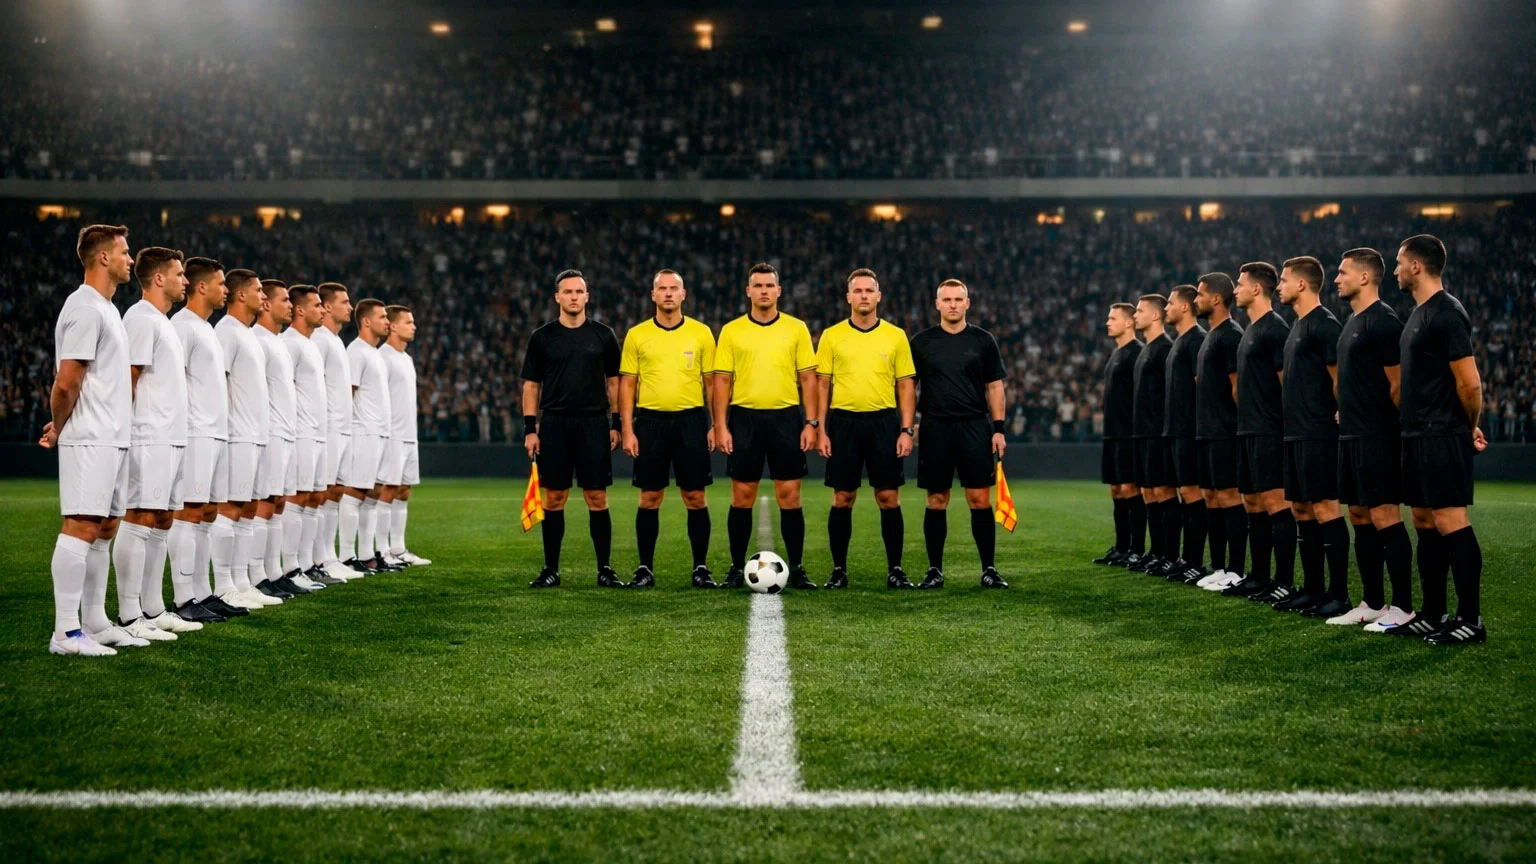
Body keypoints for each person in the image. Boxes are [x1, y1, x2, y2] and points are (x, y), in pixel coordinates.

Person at [41, 225, 138, 655]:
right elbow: (66, 382)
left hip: (113, 436)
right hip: (91, 435)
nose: (130, 259)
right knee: (81, 524)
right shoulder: (83, 307)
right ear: (102, 258)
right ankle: (64, 632)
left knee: (104, 527)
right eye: (124, 251)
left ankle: (95, 621)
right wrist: (58, 425)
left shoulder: (108, 309)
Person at [1391, 234, 1488, 644]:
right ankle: (1433, 613)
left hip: (1441, 433)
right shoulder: (1417, 314)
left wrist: (1469, 426)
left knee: (1450, 521)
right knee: (1424, 521)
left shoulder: (1447, 312)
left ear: (1417, 265)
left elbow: (1470, 384)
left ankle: (1471, 620)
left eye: (1399, 262)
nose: (1395, 270)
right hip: (1415, 434)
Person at [712, 263, 819, 590]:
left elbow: (808, 379)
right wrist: (720, 425)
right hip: (744, 419)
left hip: (786, 418)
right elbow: (721, 381)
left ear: (778, 291)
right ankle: (734, 567)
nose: (763, 291)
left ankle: (797, 568)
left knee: (790, 495)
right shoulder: (731, 331)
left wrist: (811, 422)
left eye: (769, 285)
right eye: (757, 286)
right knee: (742, 495)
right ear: (748, 291)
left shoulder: (797, 328)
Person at [114, 246, 201, 641]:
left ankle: (153, 608)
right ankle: (129, 615)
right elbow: (127, 378)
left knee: (163, 521)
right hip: (149, 435)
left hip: (172, 435)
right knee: (139, 519)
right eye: (180, 274)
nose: (186, 280)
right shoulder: (139, 318)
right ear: (160, 278)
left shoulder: (162, 320)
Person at [1328, 248, 1415, 630]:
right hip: (1351, 434)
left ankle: (1404, 606)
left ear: (1364, 277)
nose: (1337, 279)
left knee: (1384, 516)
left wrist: (1385, 425)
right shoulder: (1352, 323)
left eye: (1343, 272)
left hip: (1377, 437)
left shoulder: (1383, 321)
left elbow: (1398, 385)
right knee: (1359, 515)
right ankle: (1373, 602)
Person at [814, 268, 917, 589]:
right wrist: (819, 428)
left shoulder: (896, 335)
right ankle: (839, 570)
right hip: (843, 422)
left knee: (888, 497)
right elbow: (821, 386)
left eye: (868, 291)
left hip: (884, 423)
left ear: (878, 296)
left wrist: (906, 429)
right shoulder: (832, 335)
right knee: (843, 497)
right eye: (857, 291)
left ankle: (896, 570)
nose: (863, 296)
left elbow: (906, 386)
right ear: (848, 297)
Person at [522, 270, 623, 589]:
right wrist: (530, 428)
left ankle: (604, 569)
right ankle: (551, 569)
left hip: (593, 422)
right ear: (557, 297)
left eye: (579, 292)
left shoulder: (603, 335)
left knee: (597, 496)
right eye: (568, 292)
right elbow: (531, 385)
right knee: (554, 498)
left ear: (587, 296)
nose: (574, 297)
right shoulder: (542, 337)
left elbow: (614, 382)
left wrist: (616, 423)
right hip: (554, 424)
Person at [619, 269, 717, 588]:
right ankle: (645, 568)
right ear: (653, 295)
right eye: (662, 288)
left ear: (684, 294)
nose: (669, 294)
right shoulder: (637, 334)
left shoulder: (702, 333)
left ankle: (700, 568)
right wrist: (628, 429)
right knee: (649, 497)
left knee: (695, 496)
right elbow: (627, 385)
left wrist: (716, 426)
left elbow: (712, 383)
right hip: (650, 423)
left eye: (674, 288)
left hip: (691, 421)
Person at [909, 279, 1010, 589]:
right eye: (947, 299)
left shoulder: (983, 340)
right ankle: (934, 570)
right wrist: (910, 424)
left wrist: (998, 429)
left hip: (974, 426)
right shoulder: (922, 342)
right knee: (936, 499)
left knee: (979, 499)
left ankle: (989, 569)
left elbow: (995, 386)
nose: (952, 304)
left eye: (958, 299)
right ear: (937, 304)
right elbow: (909, 387)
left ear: (968, 303)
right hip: (935, 426)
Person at [1274, 256, 1350, 617]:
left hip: (1319, 433)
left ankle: (1338, 594)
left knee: (1325, 509)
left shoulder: (1325, 325)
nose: (1279, 287)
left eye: (1284, 280)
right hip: (1295, 434)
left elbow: (1339, 379)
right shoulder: (1297, 327)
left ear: (1302, 284)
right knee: (1302, 509)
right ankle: (1313, 589)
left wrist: (1339, 412)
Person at [168, 257, 239, 623]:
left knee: (208, 514)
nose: (225, 289)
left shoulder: (206, 328)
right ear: (201, 287)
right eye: (221, 283)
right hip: (195, 431)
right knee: (189, 513)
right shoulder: (182, 326)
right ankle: (184, 598)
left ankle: (201, 591)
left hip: (215, 432)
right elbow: (170, 381)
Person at [1222, 262, 1292, 601]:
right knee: (1252, 503)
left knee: (1275, 504)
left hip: (1268, 430)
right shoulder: (1249, 329)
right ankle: (1260, 576)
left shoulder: (1274, 329)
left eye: (1239, 284)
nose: (1235, 290)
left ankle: (1283, 580)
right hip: (1247, 430)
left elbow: (1285, 383)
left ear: (1256, 289)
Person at [253, 280, 320, 597]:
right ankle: (256, 576)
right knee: (263, 505)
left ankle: (274, 571)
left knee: (277, 505)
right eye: (284, 300)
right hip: (269, 433)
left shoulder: (280, 341)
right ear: (265, 303)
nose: (290, 307)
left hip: (289, 431)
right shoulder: (264, 340)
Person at [212, 269, 272, 611]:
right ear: (240, 295)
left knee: (247, 510)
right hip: (237, 435)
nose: (262, 296)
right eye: (258, 290)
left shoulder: (247, 334)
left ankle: (241, 581)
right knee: (230, 509)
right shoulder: (227, 332)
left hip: (256, 433)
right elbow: (219, 383)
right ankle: (223, 585)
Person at [280, 285, 343, 587]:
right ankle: (291, 567)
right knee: (296, 499)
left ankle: (307, 564)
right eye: (317, 305)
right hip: (301, 432)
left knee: (314, 499)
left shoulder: (310, 343)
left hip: (317, 433)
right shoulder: (289, 343)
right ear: (300, 310)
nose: (323, 310)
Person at [1193, 273, 1248, 592]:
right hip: (1206, 431)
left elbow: (1238, 388)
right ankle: (1220, 567)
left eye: (1200, 294)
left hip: (1224, 431)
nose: (1196, 299)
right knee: (1212, 498)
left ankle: (1236, 570)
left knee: (1228, 497)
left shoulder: (1230, 335)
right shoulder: (1211, 336)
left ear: (1216, 299)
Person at [339, 298, 400, 575]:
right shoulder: (357, 352)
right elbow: (348, 394)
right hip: (363, 431)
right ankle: (347, 555)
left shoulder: (373, 352)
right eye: (382, 317)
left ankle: (366, 555)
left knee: (372, 494)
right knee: (354, 493)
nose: (388, 322)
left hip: (380, 432)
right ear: (366, 321)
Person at [1160, 285, 1209, 584]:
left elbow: (1201, 385)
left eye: (1170, 303)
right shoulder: (1180, 341)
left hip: (1189, 428)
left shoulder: (1197, 341)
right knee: (1184, 494)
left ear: (1186, 307)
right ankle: (1181, 558)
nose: (1167, 308)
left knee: (1193, 493)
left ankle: (1194, 560)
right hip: (1175, 429)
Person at [312, 283, 359, 579]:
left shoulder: (335, 340)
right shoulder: (319, 339)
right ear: (328, 306)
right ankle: (316, 560)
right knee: (320, 495)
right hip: (326, 428)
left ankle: (328, 556)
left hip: (341, 429)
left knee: (335, 494)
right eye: (344, 301)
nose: (350, 307)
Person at [1130, 294, 1177, 576]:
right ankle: (1157, 551)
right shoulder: (1147, 349)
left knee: (1162, 492)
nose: (1136, 315)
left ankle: (1169, 554)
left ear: (1155, 316)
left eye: (1140, 311)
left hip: (1158, 432)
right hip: (1142, 433)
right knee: (1149, 493)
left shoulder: (1164, 350)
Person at [379, 304, 431, 566]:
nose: (414, 326)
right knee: (387, 490)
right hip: (391, 436)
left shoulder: (406, 359)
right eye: (408, 322)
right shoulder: (383, 357)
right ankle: (381, 550)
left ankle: (398, 548)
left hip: (409, 435)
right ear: (393, 326)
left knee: (403, 491)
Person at [1093, 303, 1143, 567]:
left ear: (1129, 323)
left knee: (1129, 488)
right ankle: (1122, 547)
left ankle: (1136, 548)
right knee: (1116, 489)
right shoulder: (1116, 354)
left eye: (1113, 318)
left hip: (1128, 434)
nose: (1107, 322)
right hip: (1111, 433)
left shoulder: (1136, 353)